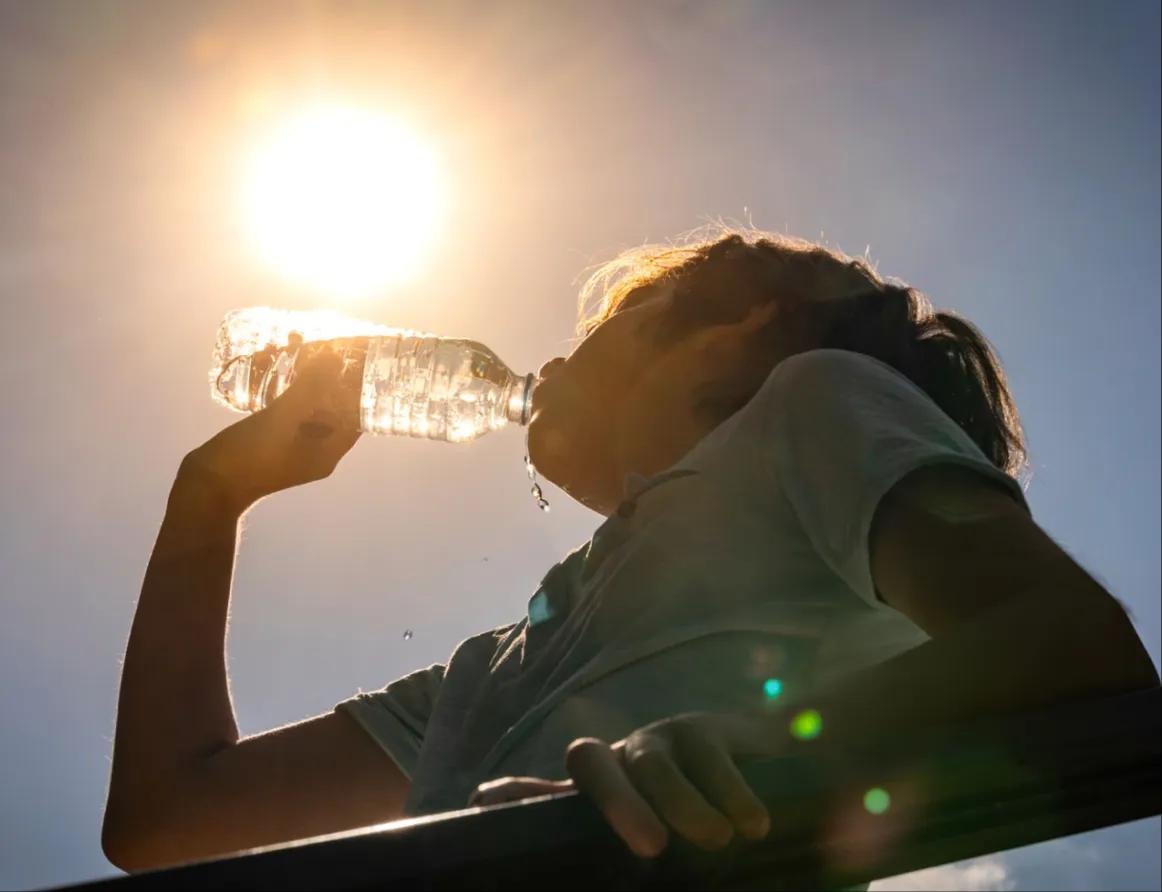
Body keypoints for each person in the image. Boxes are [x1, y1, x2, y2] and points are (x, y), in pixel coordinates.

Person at [101, 229, 1159, 872]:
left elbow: (1072, 647)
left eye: (627, 305)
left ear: (749, 320)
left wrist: (762, 751)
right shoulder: (501, 667)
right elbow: (166, 817)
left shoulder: (815, 398)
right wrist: (211, 493)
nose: (562, 350)